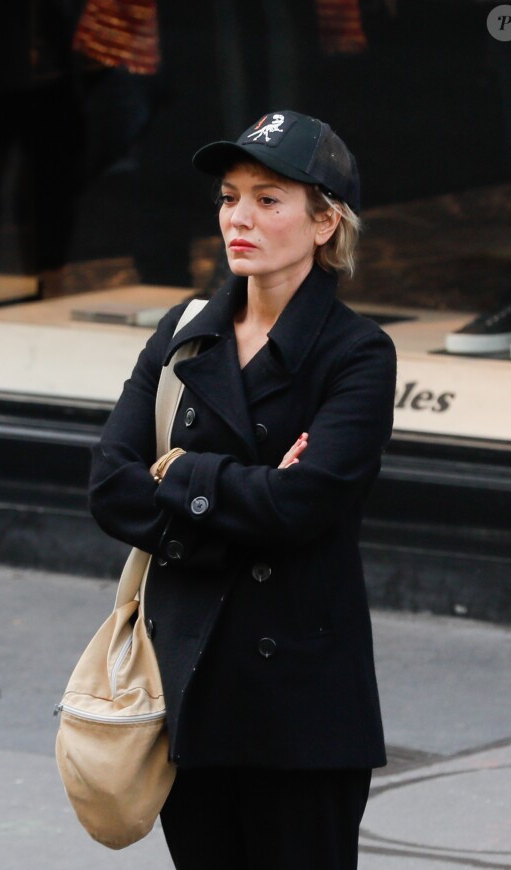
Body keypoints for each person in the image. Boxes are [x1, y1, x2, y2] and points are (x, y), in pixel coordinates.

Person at [89, 109, 397, 869]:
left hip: (303, 704)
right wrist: (244, 491)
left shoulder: (358, 354)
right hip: (188, 683)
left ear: (325, 223)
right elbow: (109, 486)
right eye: (230, 197)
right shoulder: (184, 330)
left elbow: (301, 507)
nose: (239, 218)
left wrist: (180, 472)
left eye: (269, 199)